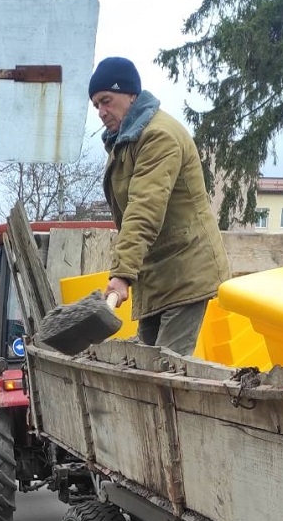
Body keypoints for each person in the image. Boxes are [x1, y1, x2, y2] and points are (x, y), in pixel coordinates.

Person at [89, 56, 230, 355]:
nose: (101, 112)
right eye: (96, 106)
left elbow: (144, 209)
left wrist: (122, 274)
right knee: (146, 365)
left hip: (185, 269)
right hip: (157, 273)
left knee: (166, 372)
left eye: (106, 101)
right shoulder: (126, 142)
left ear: (130, 94)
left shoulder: (158, 136)